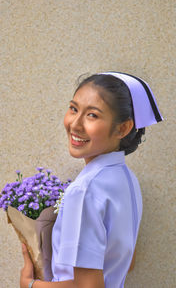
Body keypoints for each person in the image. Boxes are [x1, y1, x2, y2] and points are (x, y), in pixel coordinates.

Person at [20, 72, 163, 288]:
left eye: (92, 115)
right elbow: (126, 263)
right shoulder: (127, 180)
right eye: (74, 109)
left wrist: (30, 285)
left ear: (122, 128)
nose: (75, 124)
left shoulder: (84, 191)